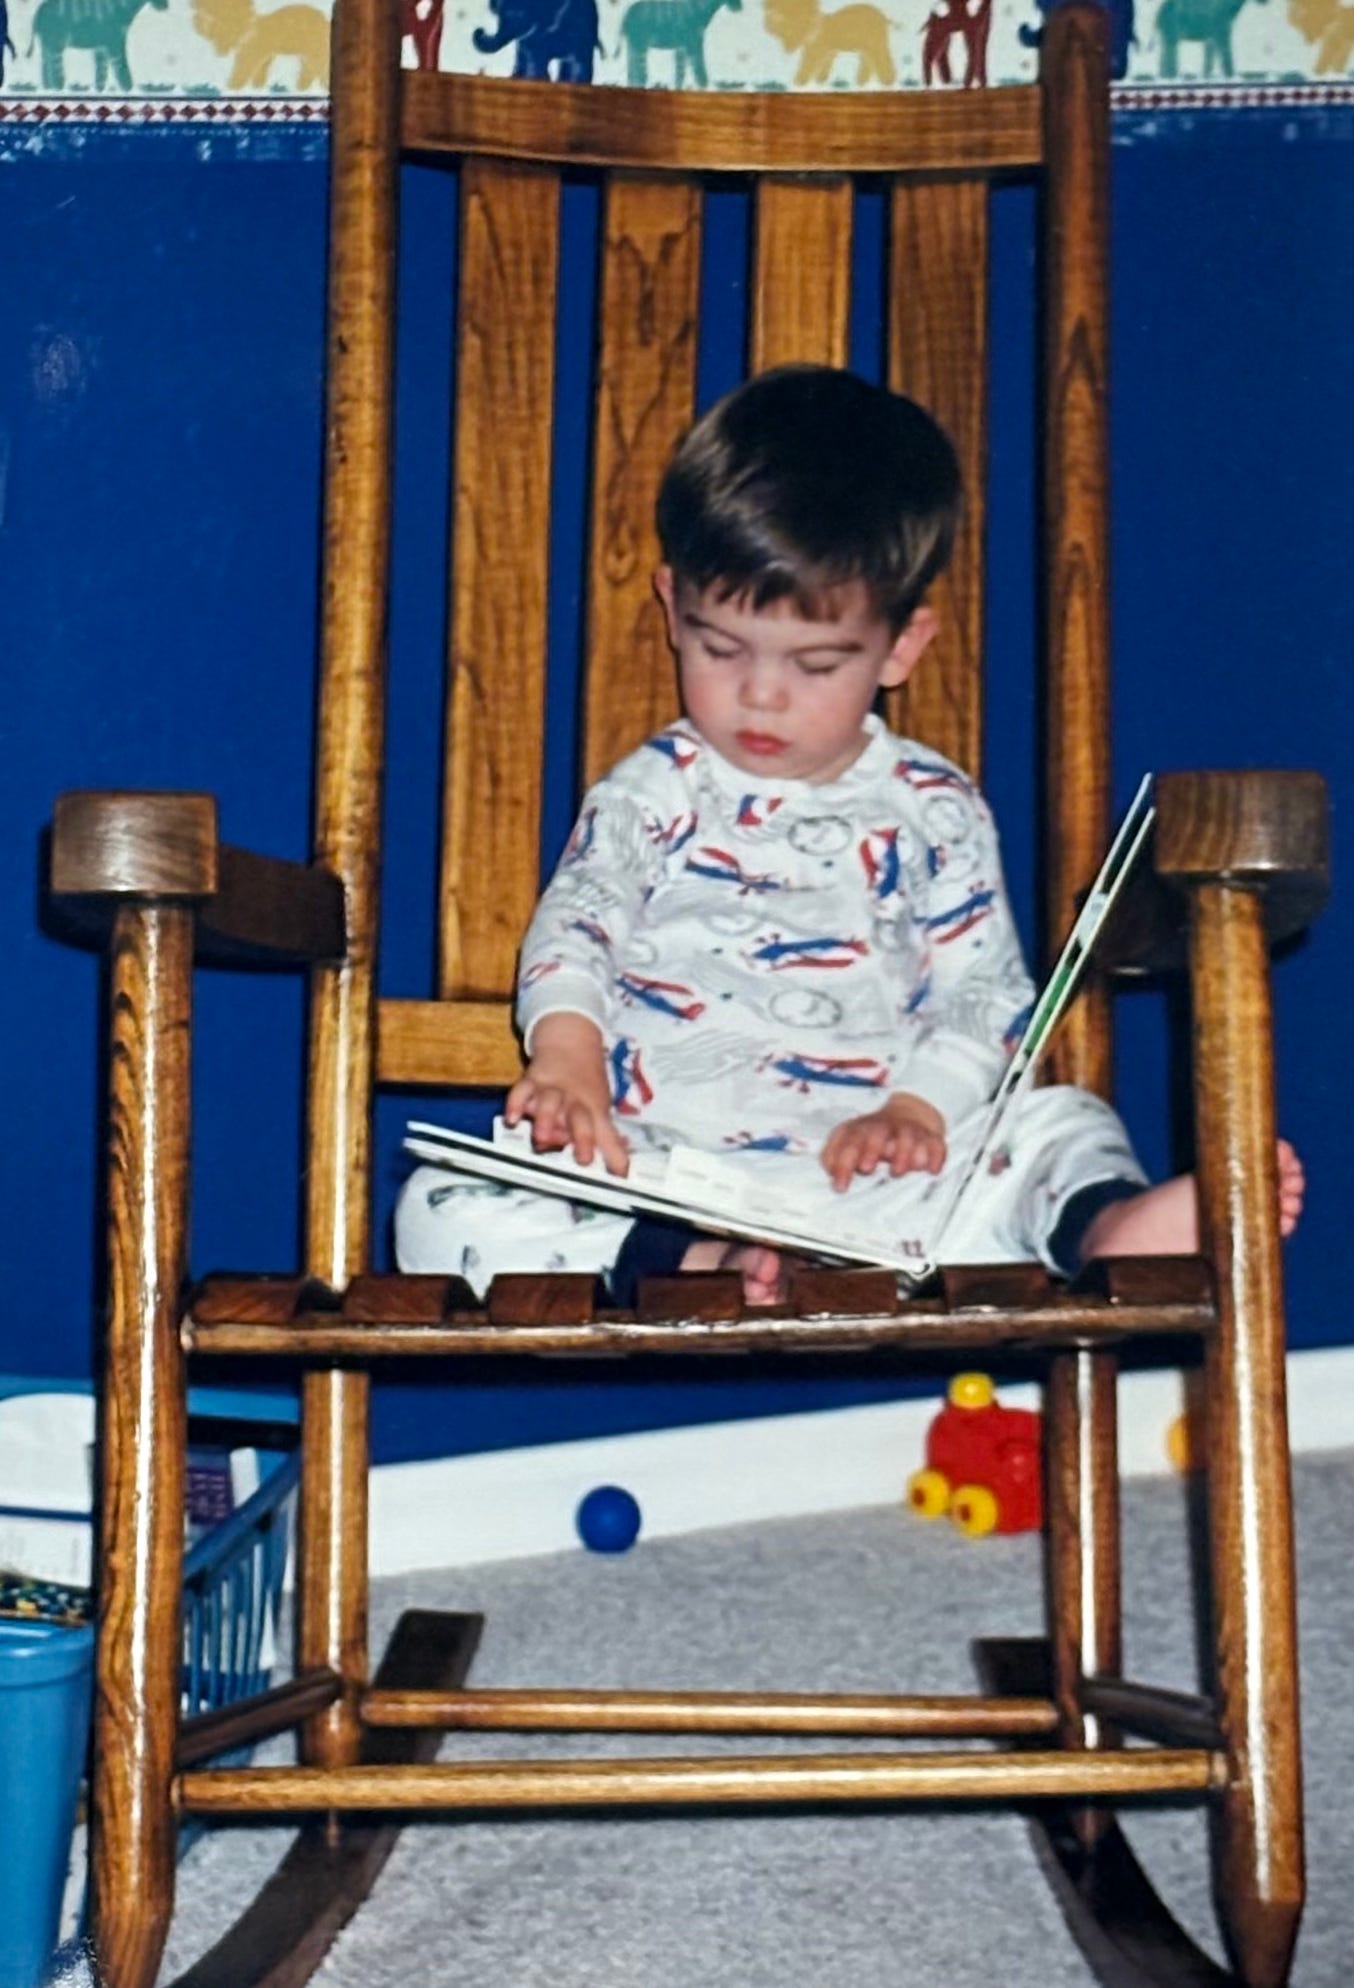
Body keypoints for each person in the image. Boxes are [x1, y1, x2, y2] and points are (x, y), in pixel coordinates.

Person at [396, 365, 1303, 1302]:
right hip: (669, 1176)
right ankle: (704, 1269)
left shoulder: (934, 808)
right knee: (444, 1201)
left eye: (816, 664)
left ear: (901, 647)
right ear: (672, 608)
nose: (760, 694)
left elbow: (985, 992)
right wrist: (567, 1057)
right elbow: (579, 923)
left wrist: (918, 1107)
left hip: (880, 1186)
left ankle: (1105, 1225)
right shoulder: (651, 792)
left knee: (1055, 1123)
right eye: (719, 647)